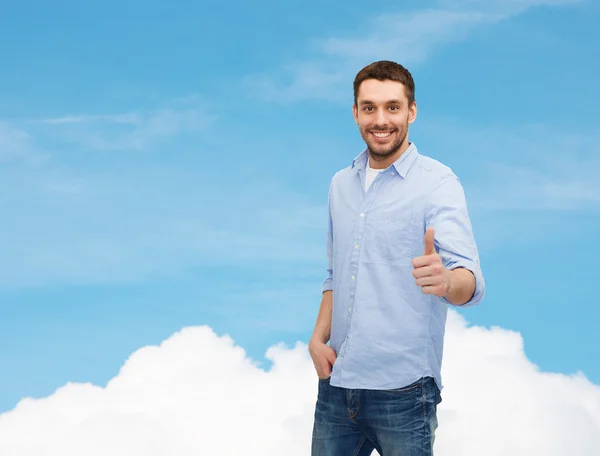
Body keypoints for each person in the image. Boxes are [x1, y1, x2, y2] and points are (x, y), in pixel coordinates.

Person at [308, 60, 485, 456]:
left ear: (412, 111)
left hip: (404, 394)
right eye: (369, 108)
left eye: (392, 107)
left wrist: (446, 282)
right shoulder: (341, 184)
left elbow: (469, 281)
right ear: (355, 113)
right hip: (337, 386)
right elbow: (336, 274)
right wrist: (317, 339)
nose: (380, 119)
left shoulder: (437, 183)